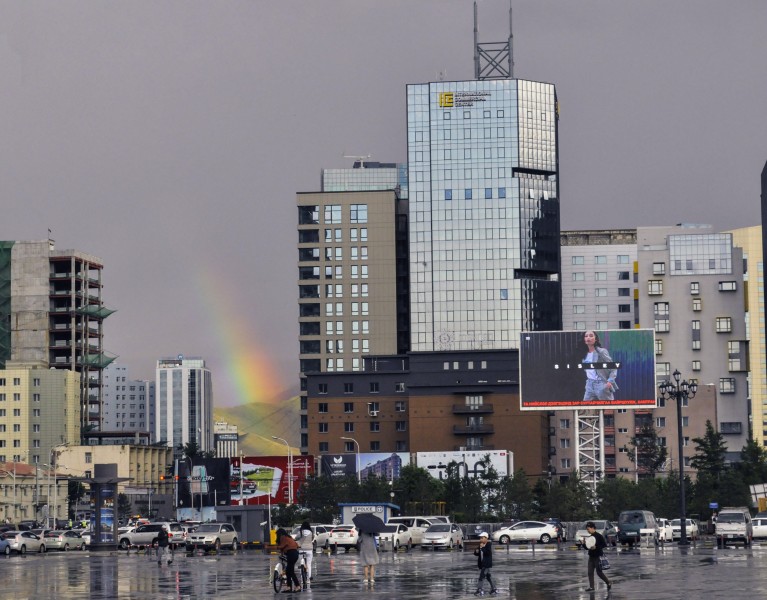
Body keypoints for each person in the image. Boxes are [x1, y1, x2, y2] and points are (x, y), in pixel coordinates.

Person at [582, 331, 619, 401]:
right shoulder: (583, 353)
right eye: (586, 336)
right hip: (589, 384)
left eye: (591, 336)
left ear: (595, 339)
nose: (588, 338)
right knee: (585, 408)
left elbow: (613, 367)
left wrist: (609, 381)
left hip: (601, 383)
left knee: (608, 408)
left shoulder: (601, 352)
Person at [582, 521, 611, 592]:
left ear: (592, 528)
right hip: (591, 556)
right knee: (590, 572)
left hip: (598, 556)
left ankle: (608, 582)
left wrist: (596, 547)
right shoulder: (590, 537)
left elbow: (604, 545)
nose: (587, 530)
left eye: (588, 529)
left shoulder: (599, 536)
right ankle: (592, 587)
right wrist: (583, 544)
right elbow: (587, 547)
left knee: (599, 572)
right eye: (587, 529)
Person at [276, 528, 301, 592]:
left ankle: (297, 586)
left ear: (280, 533)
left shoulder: (283, 537)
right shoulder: (289, 537)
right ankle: (289, 587)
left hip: (291, 554)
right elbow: (294, 545)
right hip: (295, 554)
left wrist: (276, 547)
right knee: (288, 571)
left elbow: (281, 546)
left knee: (290, 571)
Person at [473, 532, 498, 596]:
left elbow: (488, 553)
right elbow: (476, 553)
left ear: (486, 538)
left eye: (482, 538)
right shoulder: (481, 545)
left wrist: (482, 548)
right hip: (482, 564)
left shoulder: (488, 545)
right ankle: (494, 589)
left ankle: (479, 589)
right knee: (488, 577)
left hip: (486, 564)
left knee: (481, 577)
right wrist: (476, 551)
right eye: (480, 538)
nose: (480, 539)